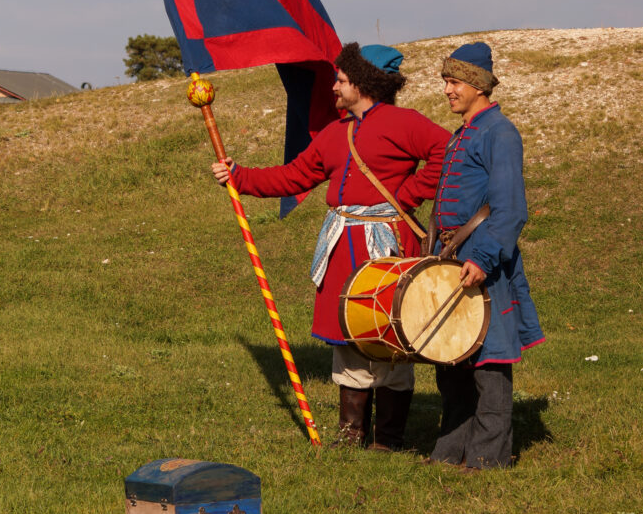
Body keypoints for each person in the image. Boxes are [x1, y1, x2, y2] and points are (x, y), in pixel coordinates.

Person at [212, 42, 450, 450]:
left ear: (363, 82)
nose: (334, 87)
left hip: (387, 246)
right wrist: (239, 176)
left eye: (340, 80)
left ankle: (389, 439)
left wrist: (408, 194)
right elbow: (293, 177)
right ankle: (351, 434)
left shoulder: (403, 122)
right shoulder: (335, 134)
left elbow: (447, 151)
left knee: (388, 333)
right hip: (343, 247)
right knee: (348, 334)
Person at [426, 42, 544, 471]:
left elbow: (511, 209)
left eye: (453, 82)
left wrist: (483, 258)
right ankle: (451, 450)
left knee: (489, 362)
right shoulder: (464, 134)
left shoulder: (500, 133)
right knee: (452, 360)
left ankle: (486, 459)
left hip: (483, 265)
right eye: (446, 82)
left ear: (477, 85)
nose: (447, 90)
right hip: (452, 261)